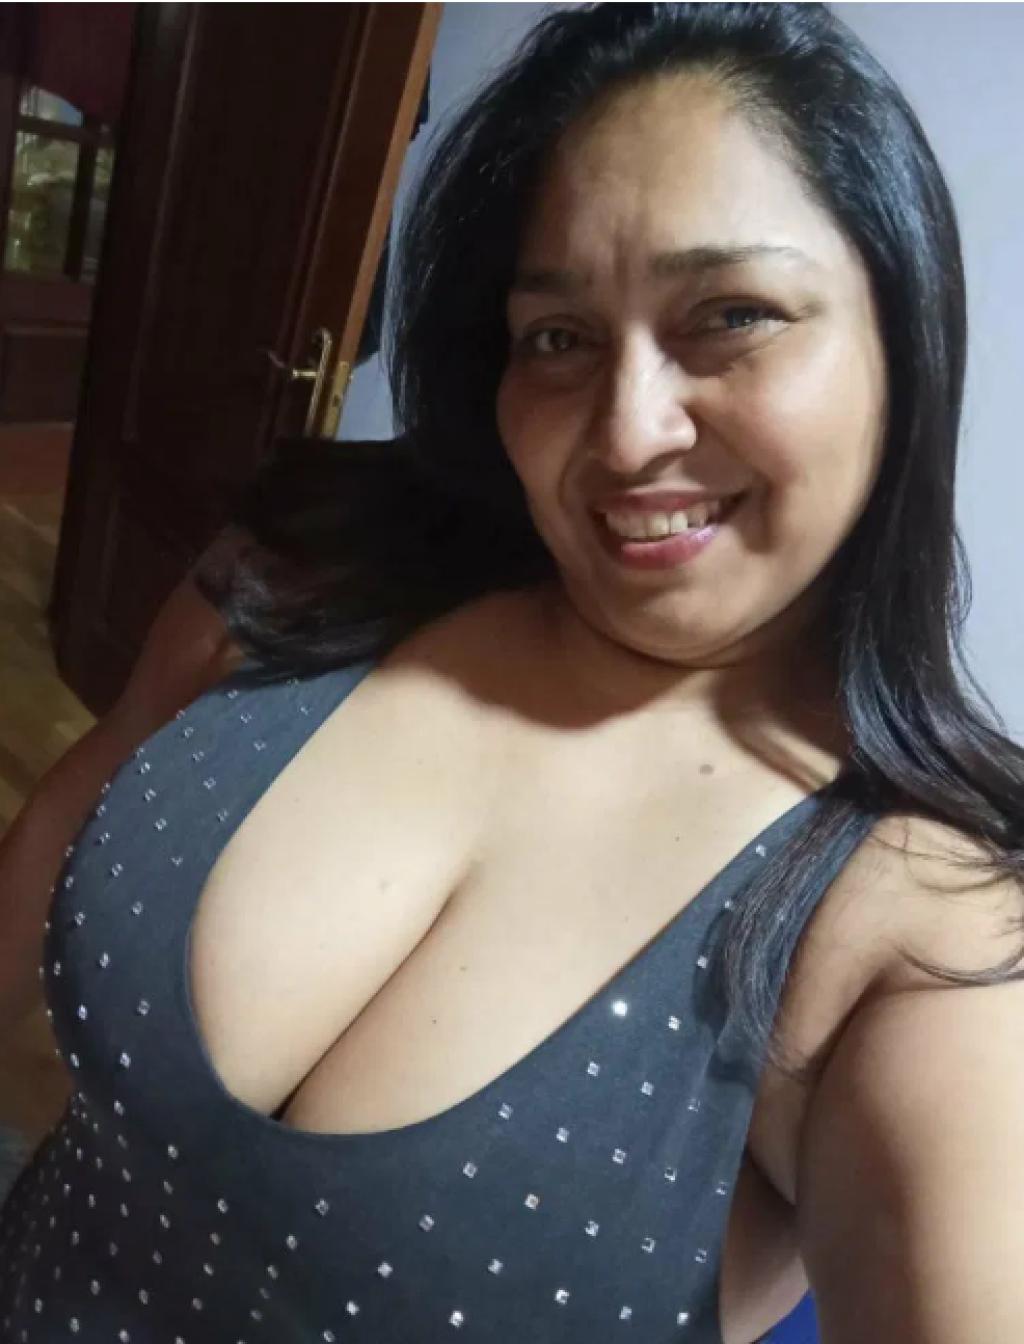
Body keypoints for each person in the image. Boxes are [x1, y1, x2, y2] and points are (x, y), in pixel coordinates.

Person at [2, 4, 1023, 1341]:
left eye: (733, 315)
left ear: (904, 344)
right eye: (559, 336)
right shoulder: (316, 570)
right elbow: (47, 860)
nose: (628, 431)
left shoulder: (916, 928)